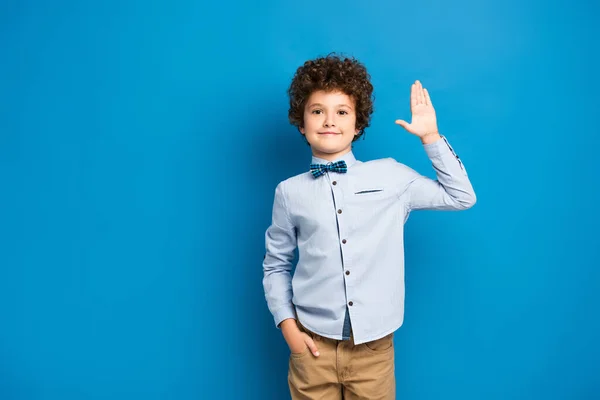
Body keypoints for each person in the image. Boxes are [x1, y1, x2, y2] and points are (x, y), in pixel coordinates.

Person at [262, 53, 476, 400]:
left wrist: (431, 138)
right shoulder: (289, 193)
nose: (329, 120)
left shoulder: (390, 175)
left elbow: (461, 196)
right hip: (311, 347)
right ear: (301, 122)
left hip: (374, 350)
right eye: (317, 111)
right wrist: (287, 326)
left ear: (358, 123)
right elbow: (276, 264)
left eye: (342, 112)